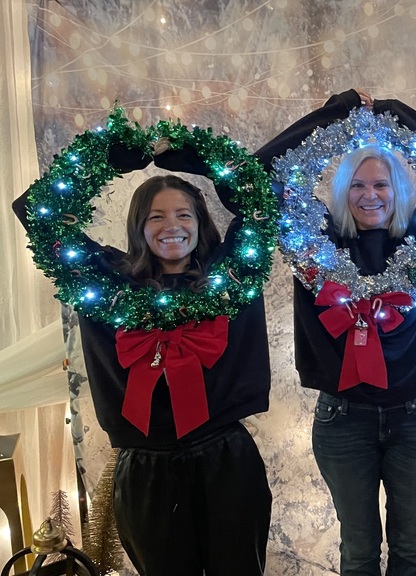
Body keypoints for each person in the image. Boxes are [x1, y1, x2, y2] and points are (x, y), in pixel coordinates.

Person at [15, 166, 274, 576]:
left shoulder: (230, 276)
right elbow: (33, 209)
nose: (172, 226)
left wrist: (188, 154)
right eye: (156, 216)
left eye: (184, 214)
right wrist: (122, 151)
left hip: (226, 459)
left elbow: (261, 192)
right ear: (139, 226)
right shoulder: (105, 282)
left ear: (200, 222)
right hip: (146, 470)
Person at [255, 89, 416, 576]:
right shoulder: (315, 241)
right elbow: (259, 173)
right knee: (359, 549)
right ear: (342, 191)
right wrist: (338, 111)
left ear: (399, 189)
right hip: (343, 419)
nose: (371, 195)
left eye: (382, 184)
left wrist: (392, 112)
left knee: (410, 546)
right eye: (358, 185)